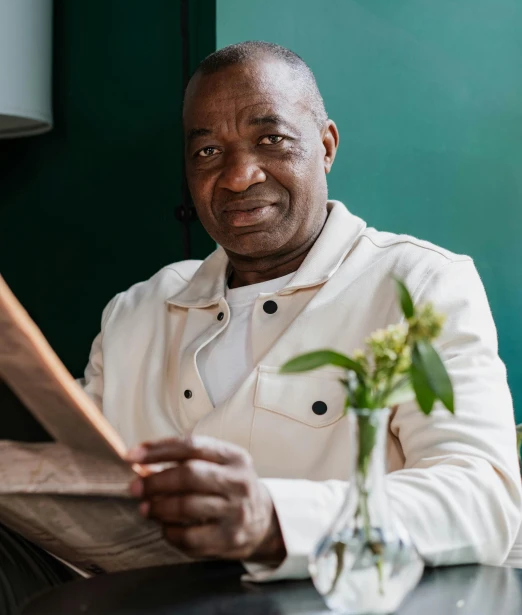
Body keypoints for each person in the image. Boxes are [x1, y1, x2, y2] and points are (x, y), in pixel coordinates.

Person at [80, 41, 521, 580]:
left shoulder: (420, 286)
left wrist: (273, 521)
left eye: (272, 140)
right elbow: (73, 488)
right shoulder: (133, 312)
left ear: (327, 144)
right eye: (207, 153)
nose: (239, 176)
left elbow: (481, 497)